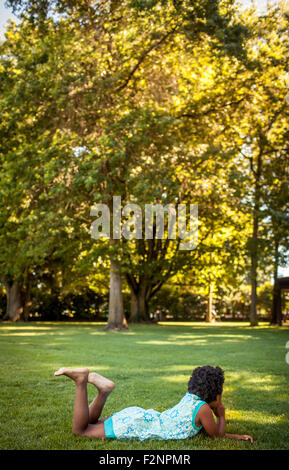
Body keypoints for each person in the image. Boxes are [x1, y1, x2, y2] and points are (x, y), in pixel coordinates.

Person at [54, 365, 253, 443]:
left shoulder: (191, 399)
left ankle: (104, 391)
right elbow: (216, 435)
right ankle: (82, 381)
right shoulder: (204, 411)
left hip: (140, 416)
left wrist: (237, 436)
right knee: (81, 432)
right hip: (138, 424)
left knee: (90, 425)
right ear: (216, 392)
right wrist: (222, 414)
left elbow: (208, 431)